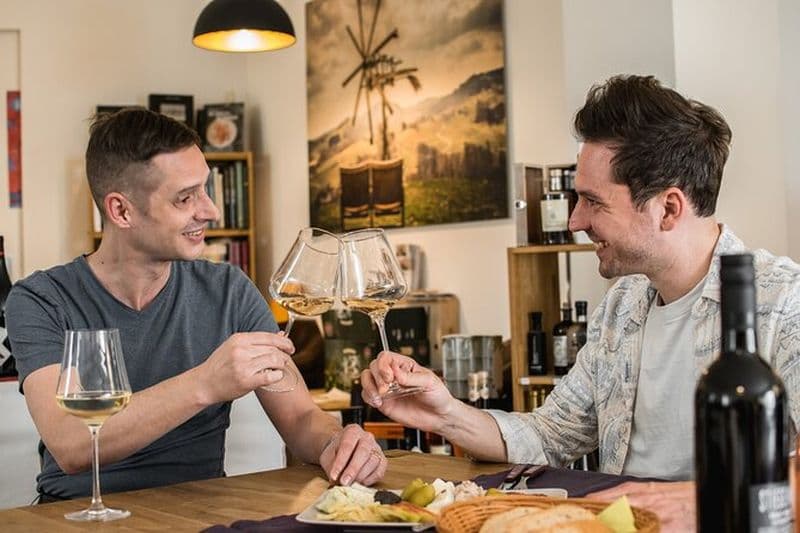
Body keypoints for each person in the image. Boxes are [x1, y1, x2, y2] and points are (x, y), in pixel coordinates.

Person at [360, 75, 800, 528]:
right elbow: (550, 435)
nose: (573, 221)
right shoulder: (623, 305)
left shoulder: (785, 303)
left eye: (592, 201)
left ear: (668, 208)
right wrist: (445, 412)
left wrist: (697, 501)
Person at [6, 108, 385, 502]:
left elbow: (301, 418)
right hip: (76, 518)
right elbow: (71, 444)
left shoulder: (229, 291)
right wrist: (206, 383)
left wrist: (338, 444)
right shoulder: (42, 300)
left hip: (202, 517)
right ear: (121, 210)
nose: (210, 211)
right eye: (185, 198)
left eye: (206, 190)